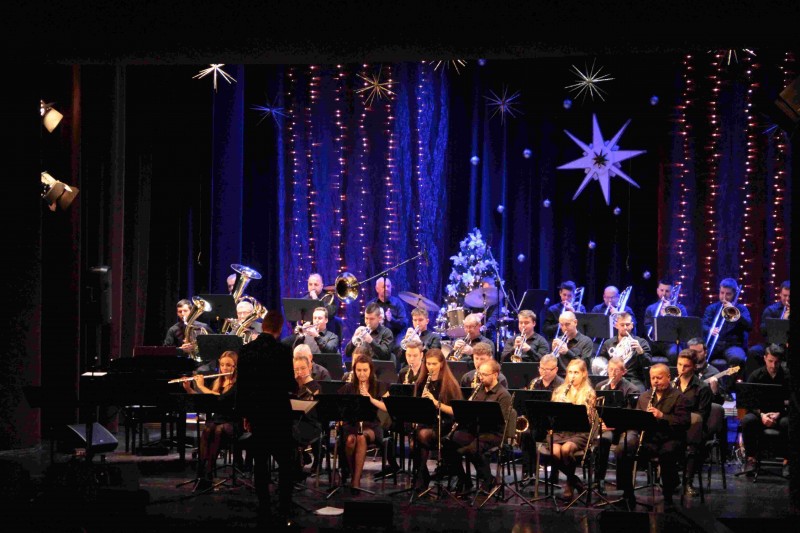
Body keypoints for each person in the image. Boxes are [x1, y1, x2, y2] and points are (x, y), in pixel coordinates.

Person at [236, 311, 297, 525]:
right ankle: (284, 507)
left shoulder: (245, 350)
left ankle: (264, 507)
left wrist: (245, 415)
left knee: (260, 463)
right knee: (286, 463)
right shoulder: (283, 351)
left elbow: (242, 387)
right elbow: (289, 384)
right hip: (278, 414)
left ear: (263, 326)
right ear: (279, 328)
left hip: (257, 414)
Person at [615, 364, 690, 509]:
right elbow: (636, 420)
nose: (655, 381)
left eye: (659, 378)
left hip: (670, 437)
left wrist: (662, 416)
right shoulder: (644, 397)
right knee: (622, 449)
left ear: (668, 377)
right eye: (652, 378)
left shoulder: (679, 397)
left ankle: (668, 496)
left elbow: (684, 422)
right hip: (649, 439)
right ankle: (627, 493)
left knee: (667, 452)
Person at [444, 359, 512, 494]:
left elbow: (501, 421)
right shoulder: (478, 390)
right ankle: (464, 479)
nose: (481, 377)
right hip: (476, 430)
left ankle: (488, 479)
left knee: (472, 449)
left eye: (485, 374)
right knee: (448, 443)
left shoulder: (503, 395)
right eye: (480, 374)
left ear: (495, 375)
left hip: (494, 434)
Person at [181, 351, 238, 488]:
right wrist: (189, 389)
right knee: (208, 429)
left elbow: (220, 399)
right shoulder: (217, 382)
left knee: (218, 430)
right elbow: (206, 401)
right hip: (217, 420)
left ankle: (209, 471)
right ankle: (201, 474)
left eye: (228, 365)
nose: (224, 368)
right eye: (222, 365)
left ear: (235, 367)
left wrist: (201, 386)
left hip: (232, 421)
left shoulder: (237, 385)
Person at [411, 348, 463, 491]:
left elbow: (456, 412)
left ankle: (422, 477)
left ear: (441, 364)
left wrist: (435, 403)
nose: (431, 367)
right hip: (427, 421)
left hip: (445, 423)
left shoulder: (449, 384)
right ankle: (422, 474)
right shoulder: (421, 382)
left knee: (421, 436)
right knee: (415, 437)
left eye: (434, 364)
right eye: (428, 364)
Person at [336, 354, 389, 492]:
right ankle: (353, 473)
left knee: (361, 437)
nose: (362, 373)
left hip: (371, 426)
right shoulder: (348, 387)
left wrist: (370, 399)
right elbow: (339, 406)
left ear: (370, 370)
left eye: (365, 370)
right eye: (358, 370)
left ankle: (355, 481)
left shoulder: (379, 386)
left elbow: (388, 407)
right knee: (350, 440)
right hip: (351, 425)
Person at [547, 359, 595, 500]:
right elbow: (551, 414)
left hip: (579, 432)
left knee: (566, 450)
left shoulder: (589, 393)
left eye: (576, 372)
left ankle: (569, 483)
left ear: (584, 374)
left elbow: (589, 420)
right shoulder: (559, 391)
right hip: (560, 431)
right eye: (570, 372)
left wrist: (571, 408)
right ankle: (574, 479)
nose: (572, 376)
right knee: (555, 451)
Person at [741, 344, 790, 477]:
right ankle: (751, 459)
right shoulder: (756, 376)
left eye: (776, 362)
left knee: (789, 423)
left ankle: (787, 461)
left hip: (781, 413)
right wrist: (762, 415)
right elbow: (748, 402)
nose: (773, 365)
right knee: (747, 420)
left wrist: (779, 414)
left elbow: (793, 401)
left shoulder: (788, 376)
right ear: (764, 358)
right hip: (760, 413)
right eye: (770, 361)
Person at [593, 357, 639, 493]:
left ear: (623, 372)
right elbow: (597, 409)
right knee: (603, 439)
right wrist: (601, 422)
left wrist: (614, 424)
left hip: (625, 428)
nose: (612, 373)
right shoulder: (601, 386)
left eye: (616, 370)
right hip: (608, 427)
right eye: (610, 369)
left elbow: (631, 415)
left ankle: (623, 487)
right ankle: (599, 480)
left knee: (624, 446)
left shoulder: (632, 389)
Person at [517, 354, 564, 478]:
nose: (543, 372)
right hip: (537, 423)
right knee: (526, 434)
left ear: (556, 369)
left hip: (555, 426)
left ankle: (554, 474)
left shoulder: (562, 385)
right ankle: (529, 472)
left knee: (552, 439)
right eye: (541, 368)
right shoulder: (535, 382)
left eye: (547, 369)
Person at [673, 349, 712, 497]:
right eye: (679, 364)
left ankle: (688, 482)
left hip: (695, 428)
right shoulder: (672, 385)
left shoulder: (702, 388)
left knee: (692, 444)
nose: (681, 369)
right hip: (675, 426)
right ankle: (670, 480)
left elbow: (702, 416)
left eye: (686, 366)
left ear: (694, 367)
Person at [701, 278, 752, 371]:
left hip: (733, 345)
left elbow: (749, 326)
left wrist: (735, 312)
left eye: (728, 294)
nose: (724, 297)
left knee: (737, 359)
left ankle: (731, 381)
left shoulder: (741, 309)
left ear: (734, 294)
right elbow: (703, 325)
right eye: (722, 293)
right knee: (696, 356)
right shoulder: (712, 308)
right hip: (714, 344)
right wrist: (710, 330)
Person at [596, 312, 652, 390]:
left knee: (637, 390)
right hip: (613, 378)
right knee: (599, 387)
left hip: (633, 379)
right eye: (622, 325)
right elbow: (602, 363)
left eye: (627, 325)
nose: (625, 327)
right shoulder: (608, 343)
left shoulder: (641, 342)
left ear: (632, 325)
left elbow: (647, 364)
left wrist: (640, 351)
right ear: (616, 325)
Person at [643, 279, 688, 365]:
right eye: (661, 290)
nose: (664, 293)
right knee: (641, 353)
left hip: (671, 343)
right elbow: (648, 330)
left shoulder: (681, 308)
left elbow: (683, 328)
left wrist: (670, 312)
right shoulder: (650, 308)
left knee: (676, 354)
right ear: (657, 291)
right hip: (654, 343)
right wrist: (661, 316)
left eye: (667, 291)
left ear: (672, 292)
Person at [748, 280, 790, 367]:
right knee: (754, 351)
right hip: (772, 344)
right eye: (785, 295)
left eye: (790, 296)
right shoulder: (771, 310)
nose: (787, 299)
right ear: (780, 294)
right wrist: (783, 321)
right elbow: (763, 331)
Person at [365, 277, 409, 343]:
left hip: (394, 337)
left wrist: (391, 319)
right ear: (377, 289)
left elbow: (404, 323)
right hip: (376, 336)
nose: (386, 289)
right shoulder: (371, 304)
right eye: (383, 287)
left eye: (388, 286)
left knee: (400, 344)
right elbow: (365, 323)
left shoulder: (397, 303)